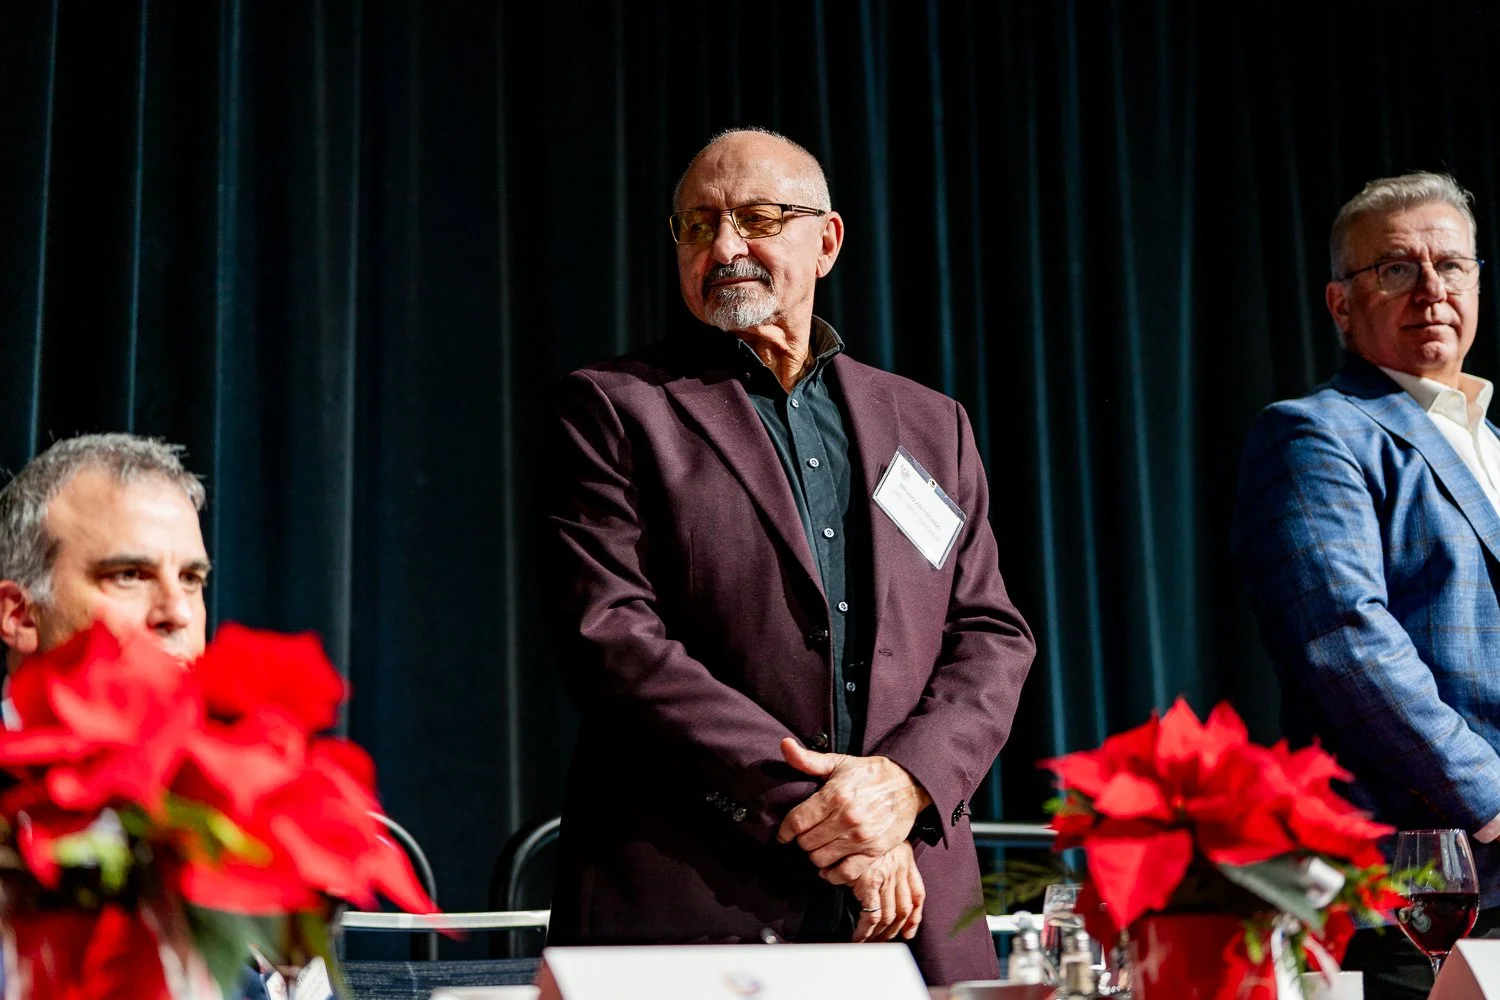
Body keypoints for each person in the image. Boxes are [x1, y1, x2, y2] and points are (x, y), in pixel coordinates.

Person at [540, 127, 1035, 985]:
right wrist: (834, 815)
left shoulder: (930, 424)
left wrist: (905, 784)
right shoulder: (616, 409)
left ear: (827, 241)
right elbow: (612, 640)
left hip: (911, 898)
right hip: (699, 898)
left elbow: (991, 635)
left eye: (758, 219)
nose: (725, 247)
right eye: (698, 226)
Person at [1233, 172, 1500, 998]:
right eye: (1396, 268)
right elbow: (1346, 641)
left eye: (1451, 266)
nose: (1432, 290)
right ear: (1340, 303)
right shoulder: (1314, 434)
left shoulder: (1495, 444)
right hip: (1412, 893)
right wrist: (1491, 798)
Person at [0, 433, 326, 1000]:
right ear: (20, 615)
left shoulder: (228, 797)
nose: (178, 612)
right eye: (129, 574)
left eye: (192, 579)